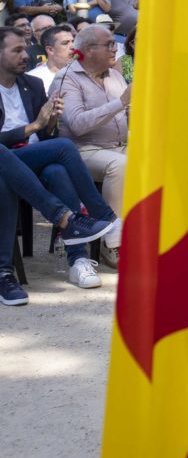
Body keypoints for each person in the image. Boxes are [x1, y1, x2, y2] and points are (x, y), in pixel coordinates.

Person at [50, 24, 131, 267]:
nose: (114, 48)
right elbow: (77, 124)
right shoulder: (67, 79)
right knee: (119, 165)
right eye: (108, 44)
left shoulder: (115, 75)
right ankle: (112, 244)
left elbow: (126, 113)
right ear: (88, 50)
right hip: (83, 150)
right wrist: (120, 103)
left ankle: (152, 235)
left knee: (163, 160)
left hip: (120, 144)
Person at [0, 144, 121, 302]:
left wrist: (46, 126)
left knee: (57, 171)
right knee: (4, 173)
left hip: (23, 155)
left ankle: (78, 259)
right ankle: (4, 273)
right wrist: (31, 128)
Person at [27, 23, 75, 92]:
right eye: (65, 43)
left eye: (73, 41)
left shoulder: (85, 72)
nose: (73, 47)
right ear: (50, 50)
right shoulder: (33, 78)